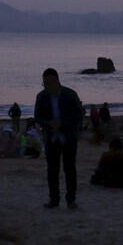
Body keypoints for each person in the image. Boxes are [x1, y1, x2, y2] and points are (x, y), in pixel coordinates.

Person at [34, 68, 83, 209]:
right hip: (50, 137)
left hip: (68, 136)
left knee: (70, 169)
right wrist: (49, 124)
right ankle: (54, 200)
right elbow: (37, 117)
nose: (47, 86)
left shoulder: (70, 94)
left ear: (57, 80)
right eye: (44, 83)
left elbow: (78, 115)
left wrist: (62, 125)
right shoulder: (41, 96)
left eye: (49, 82)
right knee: (52, 170)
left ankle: (71, 200)